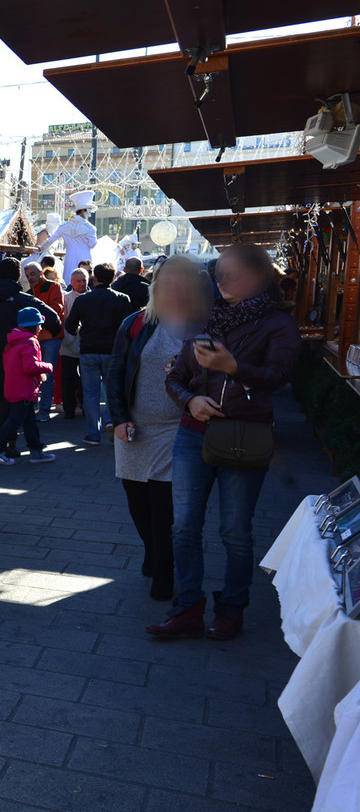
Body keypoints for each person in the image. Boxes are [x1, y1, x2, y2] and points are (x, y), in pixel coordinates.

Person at [146, 243, 300, 642]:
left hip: (243, 436)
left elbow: (278, 378)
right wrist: (190, 400)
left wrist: (234, 367)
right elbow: (175, 377)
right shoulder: (203, 319)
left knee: (235, 530)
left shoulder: (277, 324)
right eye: (220, 274)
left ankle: (231, 610)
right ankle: (189, 608)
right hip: (191, 434)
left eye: (233, 275)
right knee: (183, 527)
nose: (223, 281)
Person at [109, 256, 212, 603]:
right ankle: (152, 552)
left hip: (178, 428)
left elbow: (215, 377)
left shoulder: (203, 325)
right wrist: (119, 418)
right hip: (135, 429)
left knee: (163, 507)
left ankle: (164, 572)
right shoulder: (136, 323)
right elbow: (116, 372)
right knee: (137, 503)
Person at [0, 257, 63, 424]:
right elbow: (54, 319)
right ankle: (8, 444)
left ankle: (2, 440)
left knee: (6, 409)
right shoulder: (23, 300)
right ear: (19, 276)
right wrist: (49, 331)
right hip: (19, 363)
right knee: (17, 412)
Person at [64, 262, 134, 445]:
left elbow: (70, 327)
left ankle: (94, 433)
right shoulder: (122, 299)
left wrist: (82, 328)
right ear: (113, 278)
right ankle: (112, 421)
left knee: (91, 394)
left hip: (88, 350)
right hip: (113, 351)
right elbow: (129, 328)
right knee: (113, 390)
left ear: (94, 278)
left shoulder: (82, 300)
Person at [0, 306, 58, 466]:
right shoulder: (30, 341)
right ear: (33, 325)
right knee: (14, 422)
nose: (41, 328)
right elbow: (30, 366)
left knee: (29, 422)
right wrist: (48, 366)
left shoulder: (13, 339)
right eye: (39, 324)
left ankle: (36, 451)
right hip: (24, 390)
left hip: (14, 387)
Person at [26, 260, 66, 422]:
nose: (30, 277)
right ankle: (38, 410)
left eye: (33, 274)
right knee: (36, 375)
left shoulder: (53, 287)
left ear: (41, 273)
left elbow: (57, 309)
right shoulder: (30, 291)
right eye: (28, 275)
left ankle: (43, 411)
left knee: (47, 376)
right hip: (38, 338)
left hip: (50, 338)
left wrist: (36, 319)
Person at [38, 190, 99, 276]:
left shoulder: (64, 226)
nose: (90, 215)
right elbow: (92, 244)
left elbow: (50, 241)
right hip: (85, 260)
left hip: (70, 259)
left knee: (69, 278)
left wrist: (40, 249)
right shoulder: (90, 228)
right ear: (82, 211)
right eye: (89, 212)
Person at [58, 268, 87, 420]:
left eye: (84, 280)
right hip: (69, 345)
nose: (82, 284)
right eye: (78, 281)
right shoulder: (65, 297)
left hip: (86, 345)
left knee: (85, 379)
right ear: (71, 282)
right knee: (67, 379)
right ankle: (69, 409)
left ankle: (84, 406)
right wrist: (66, 339)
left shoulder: (91, 297)